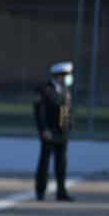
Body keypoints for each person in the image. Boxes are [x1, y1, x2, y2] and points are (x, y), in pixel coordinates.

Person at [33, 61, 75, 202]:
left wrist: (68, 127)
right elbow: (40, 112)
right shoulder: (45, 90)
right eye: (67, 75)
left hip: (61, 133)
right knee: (44, 163)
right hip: (49, 132)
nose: (69, 78)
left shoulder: (65, 91)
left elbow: (65, 110)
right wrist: (44, 129)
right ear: (59, 76)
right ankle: (40, 191)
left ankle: (61, 192)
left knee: (61, 163)